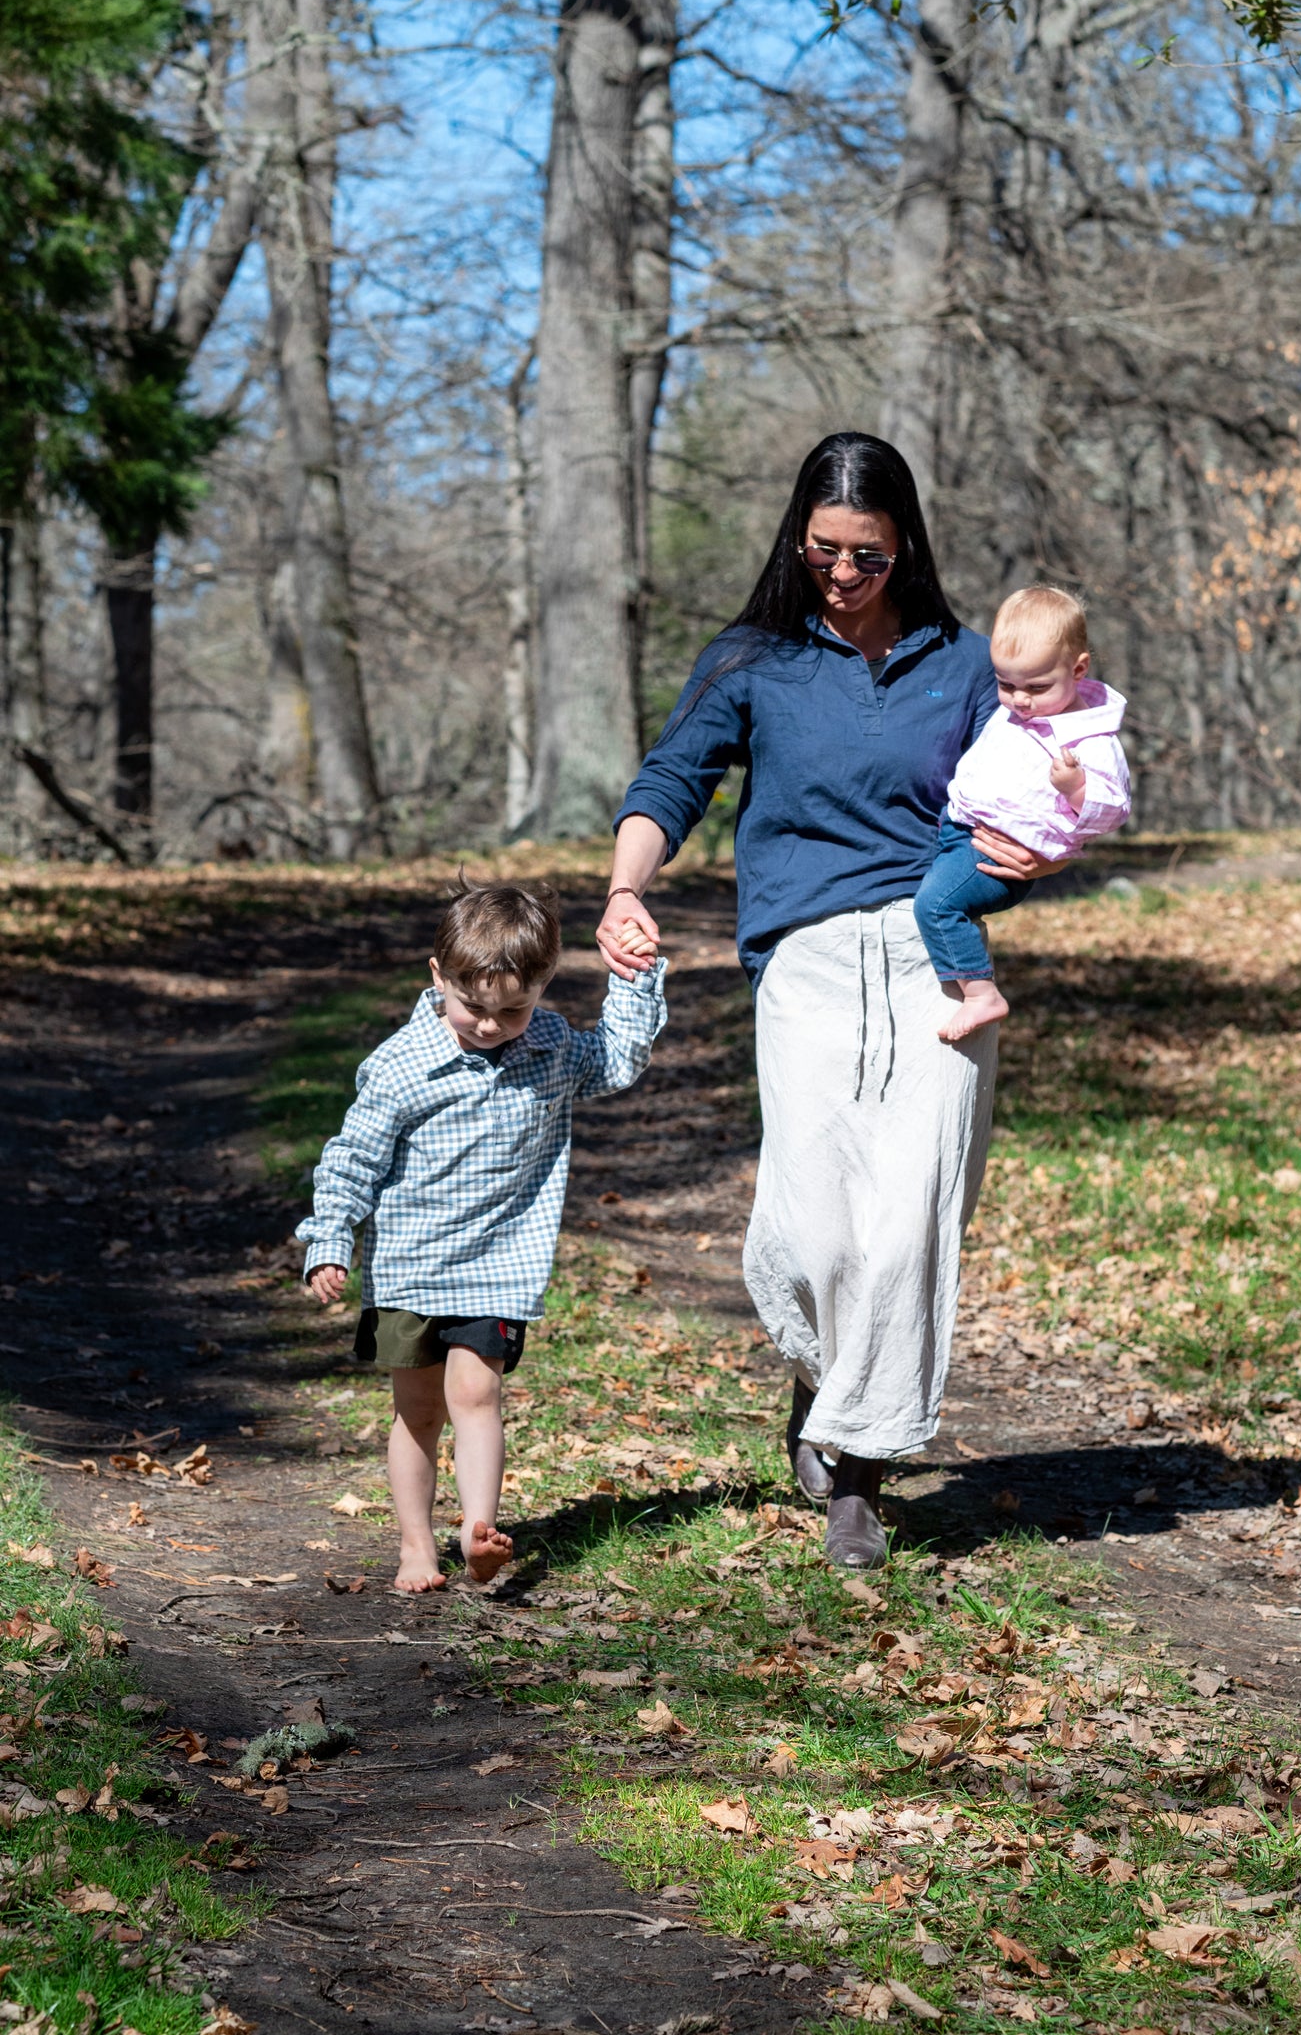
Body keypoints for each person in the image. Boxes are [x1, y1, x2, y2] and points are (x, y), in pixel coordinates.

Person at [597, 431, 1064, 1569]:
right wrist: (623, 889)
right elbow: (672, 780)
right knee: (813, 1225)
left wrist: (1040, 848)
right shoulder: (752, 656)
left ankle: (855, 1468)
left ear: (902, 543)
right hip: (801, 961)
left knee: (905, 1217)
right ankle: (820, 1375)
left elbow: (1029, 792)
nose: (842, 573)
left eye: (865, 551)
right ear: (795, 539)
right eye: (822, 549)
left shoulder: (964, 664)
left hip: (929, 961)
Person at [299, 878, 667, 1593]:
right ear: (438, 977)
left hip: (499, 1265)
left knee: (475, 1394)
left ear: (543, 984)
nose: (493, 1025)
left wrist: (635, 977)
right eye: (474, 1007)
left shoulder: (552, 1047)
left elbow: (619, 1061)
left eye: (514, 1009)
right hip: (409, 1267)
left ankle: (477, 1531)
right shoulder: (402, 1065)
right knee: (419, 1412)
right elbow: (352, 1159)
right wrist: (330, 1237)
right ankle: (414, 1547)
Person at [914, 584, 1130, 1043]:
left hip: (1002, 854)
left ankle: (980, 992)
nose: (1019, 699)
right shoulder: (1018, 712)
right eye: (1005, 684)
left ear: (1078, 669)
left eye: (1036, 686)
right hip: (960, 830)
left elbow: (1114, 808)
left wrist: (1076, 787)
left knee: (935, 904)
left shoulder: (1089, 738)